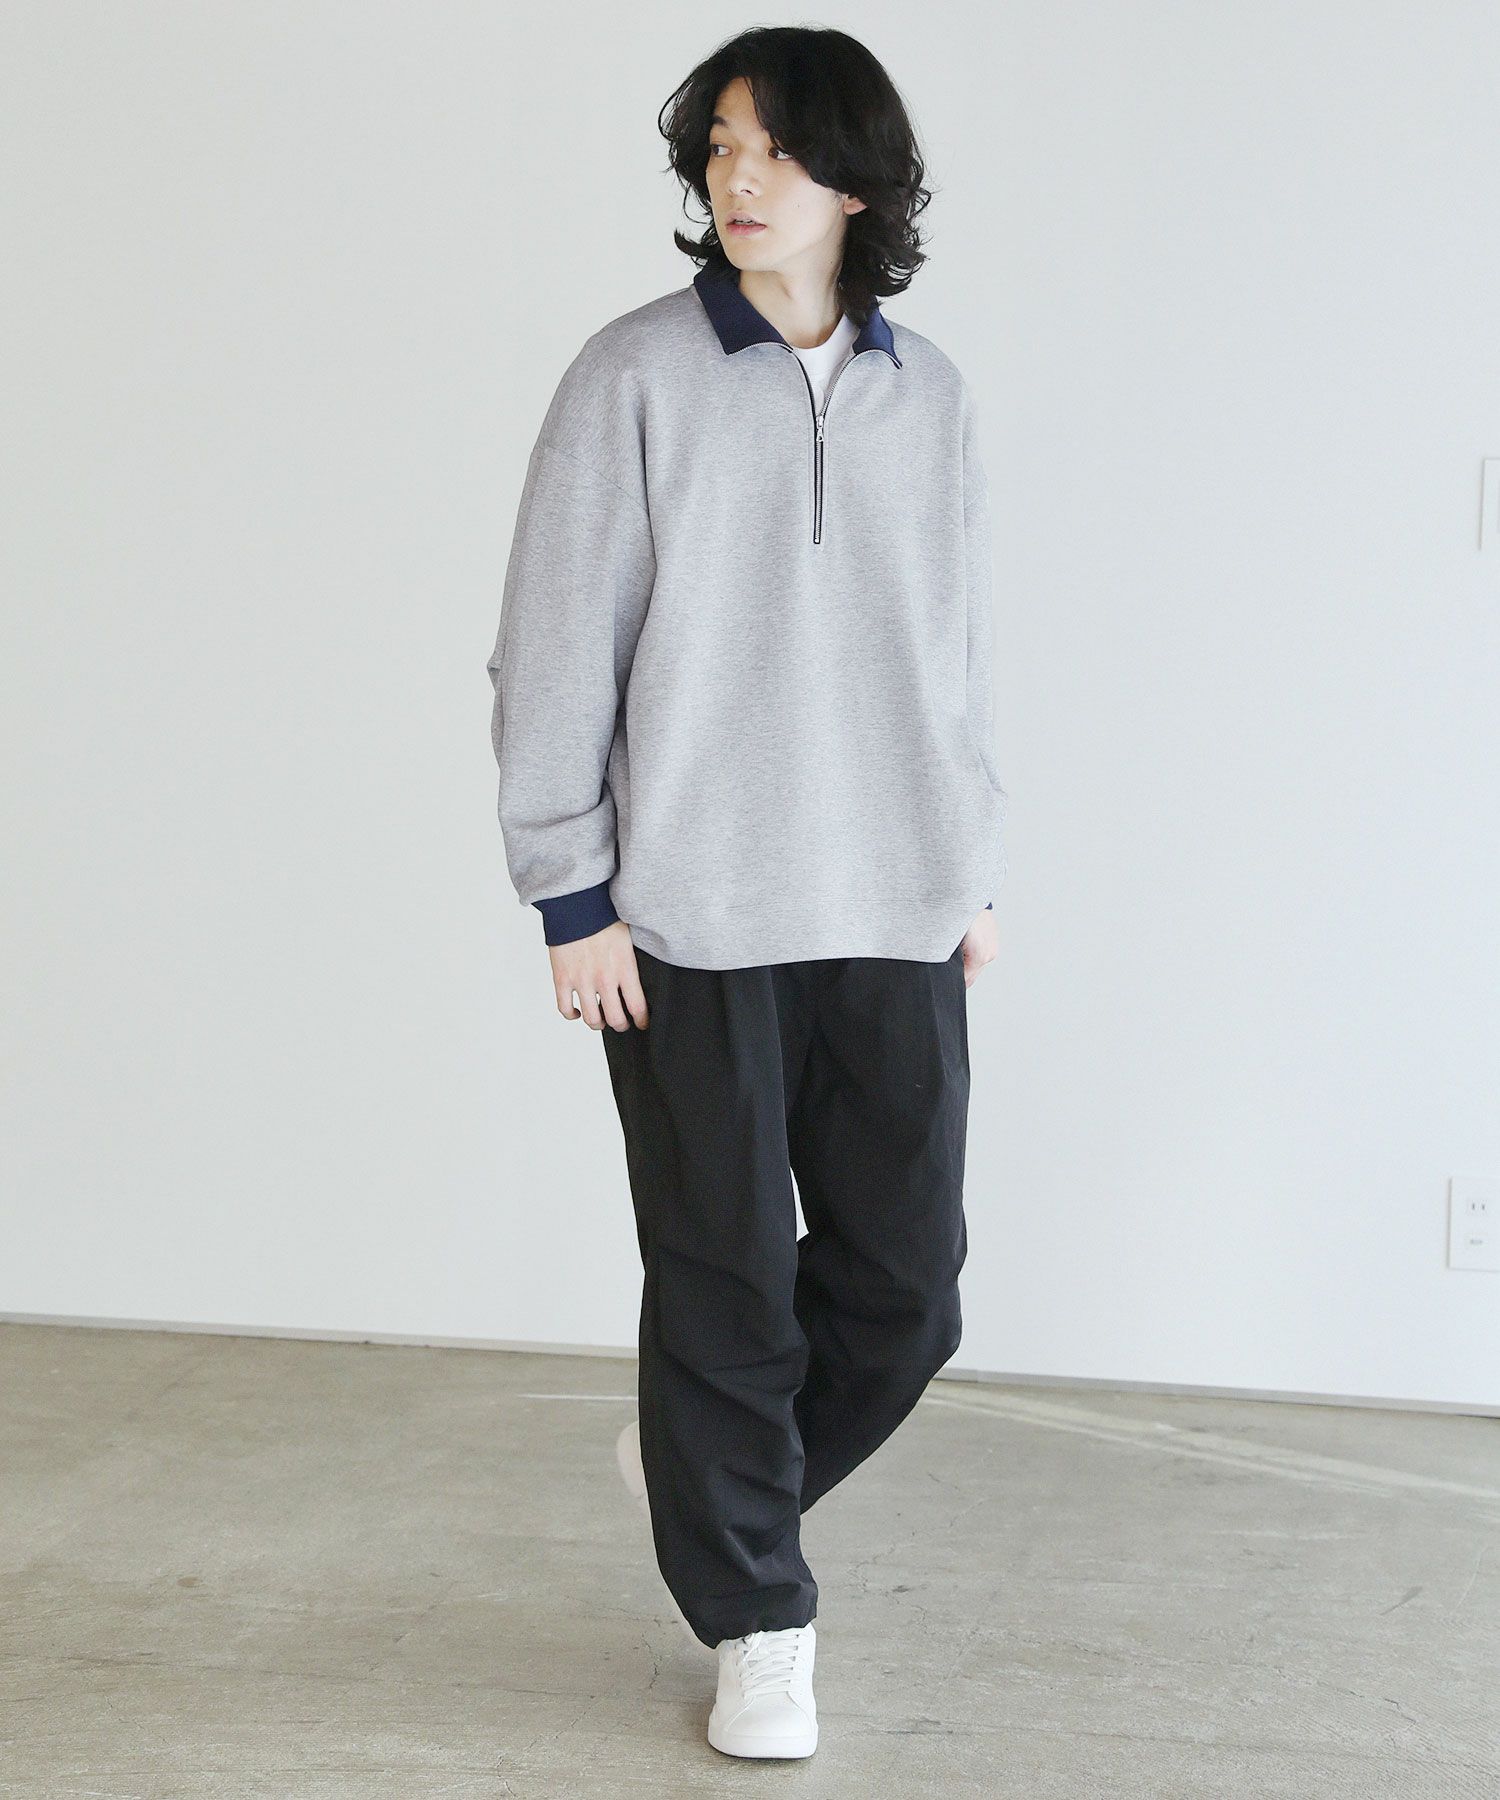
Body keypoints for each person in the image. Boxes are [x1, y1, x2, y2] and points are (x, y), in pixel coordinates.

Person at [485, 24, 1008, 1762]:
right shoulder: (633, 376)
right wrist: (570, 891)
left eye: (775, 148)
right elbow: (552, 644)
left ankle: (709, 1473)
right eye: (718, 145)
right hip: (690, 917)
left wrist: (968, 866)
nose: (738, 177)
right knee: (722, 1281)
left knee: (906, 1287)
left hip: (895, 901)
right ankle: (759, 1618)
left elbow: (950, 659)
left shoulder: (930, 394)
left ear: (857, 179)